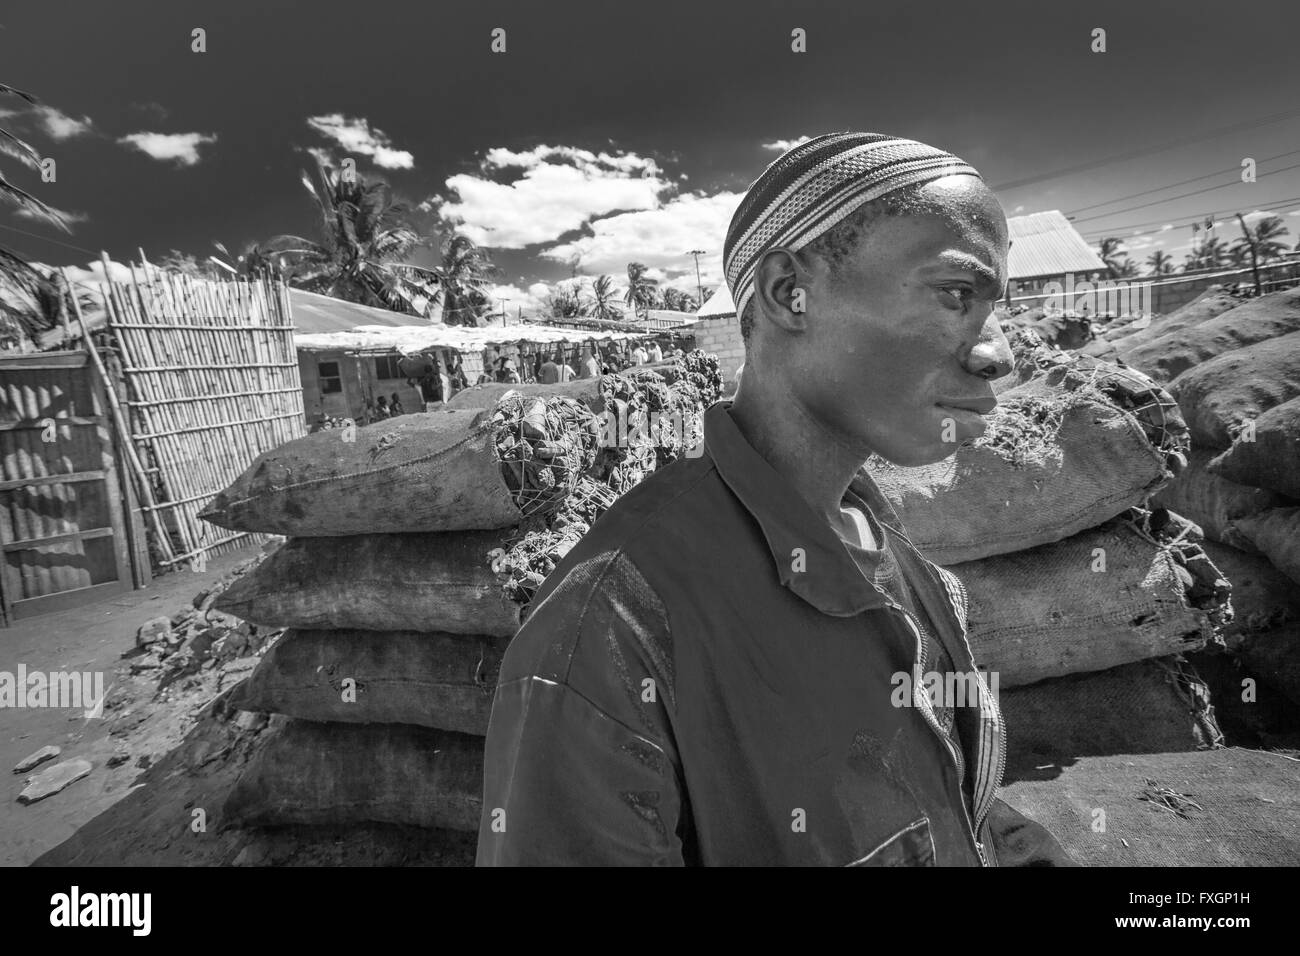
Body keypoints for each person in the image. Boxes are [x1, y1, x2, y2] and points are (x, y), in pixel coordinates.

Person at [477, 132, 1075, 867]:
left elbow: (948, 811)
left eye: (993, 304)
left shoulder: (889, 549)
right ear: (791, 291)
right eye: (957, 294)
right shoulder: (611, 625)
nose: (999, 350)